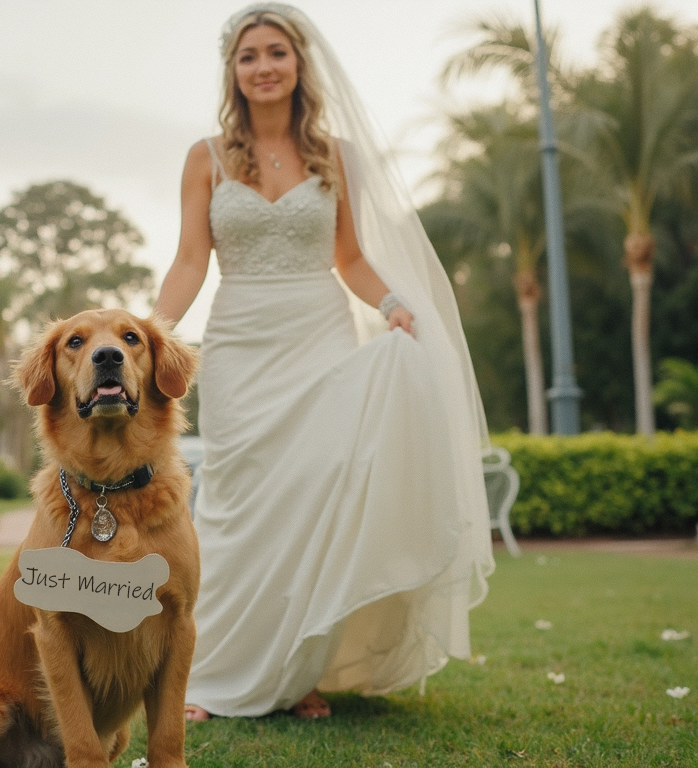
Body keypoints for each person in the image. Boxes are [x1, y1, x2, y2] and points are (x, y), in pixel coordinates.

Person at [152, 3, 495, 721]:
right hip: (243, 340)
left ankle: (297, 670)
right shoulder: (205, 157)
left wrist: (397, 303)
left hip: (320, 335)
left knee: (316, 501)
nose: (264, 66)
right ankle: (212, 673)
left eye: (276, 52)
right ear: (233, 71)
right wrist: (151, 330)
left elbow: (350, 258)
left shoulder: (336, 155)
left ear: (299, 63)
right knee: (238, 504)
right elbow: (191, 259)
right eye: (249, 56)